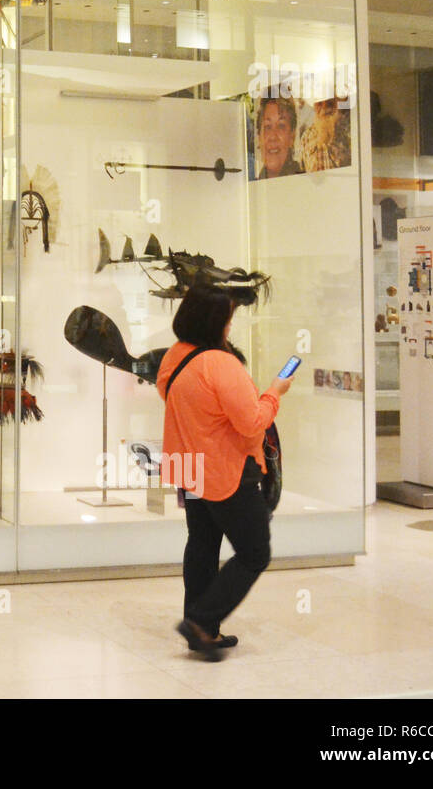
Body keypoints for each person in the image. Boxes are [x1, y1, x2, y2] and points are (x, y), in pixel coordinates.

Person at [156, 283, 293, 660]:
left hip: (190, 466)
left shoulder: (174, 356)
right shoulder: (220, 363)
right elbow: (251, 422)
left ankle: (202, 630)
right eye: (229, 318)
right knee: (254, 553)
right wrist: (274, 393)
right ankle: (201, 621)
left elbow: (173, 396)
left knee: (202, 544)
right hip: (226, 470)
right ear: (215, 321)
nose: (231, 326)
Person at [254, 97, 301, 179]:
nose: (273, 136)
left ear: (292, 137)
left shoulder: (306, 183)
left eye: (281, 126)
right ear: (259, 137)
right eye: (268, 127)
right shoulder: (251, 188)